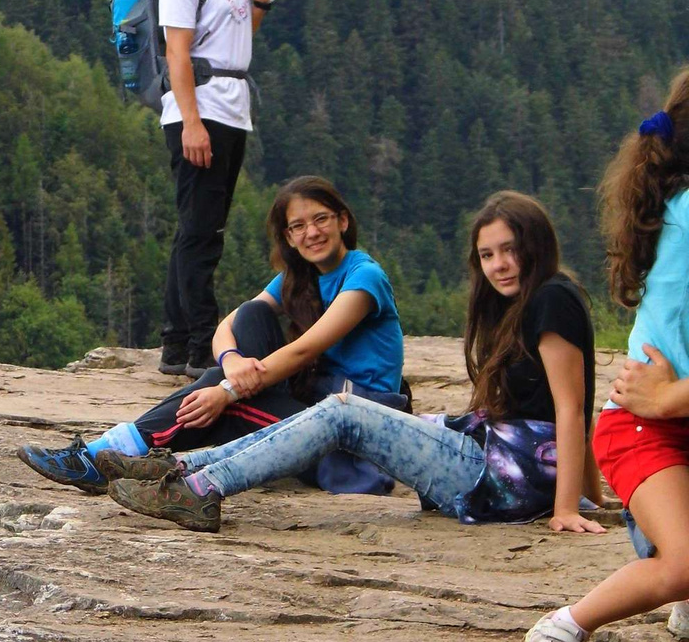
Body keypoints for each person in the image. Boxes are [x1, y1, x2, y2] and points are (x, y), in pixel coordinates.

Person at [107, 192, 606, 543]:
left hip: (505, 479)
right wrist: (593, 500)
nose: (500, 264)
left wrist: (568, 508)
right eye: (488, 255)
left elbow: (572, 408)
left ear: (537, 244)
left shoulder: (552, 299)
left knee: (345, 412)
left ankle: (199, 487)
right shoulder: (525, 301)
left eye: (511, 250)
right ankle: (179, 468)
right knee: (341, 416)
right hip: (493, 459)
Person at [18, 177, 406, 496]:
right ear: (288, 238)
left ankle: (103, 457)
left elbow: (306, 349)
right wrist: (232, 365)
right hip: (316, 405)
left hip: (353, 432)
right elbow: (229, 326)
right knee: (253, 317)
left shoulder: (364, 277)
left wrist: (228, 391)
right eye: (298, 226)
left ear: (342, 221)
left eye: (320, 220)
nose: (312, 233)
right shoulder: (298, 279)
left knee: (222, 404)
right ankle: (115, 458)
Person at [522, 75, 689, 642]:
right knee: (682, 564)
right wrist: (671, 400)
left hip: (668, 406)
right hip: (646, 425)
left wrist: (676, 394)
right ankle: (565, 626)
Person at [158, 0, 274, 376]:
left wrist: (262, 0)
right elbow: (176, 53)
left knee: (198, 229)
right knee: (202, 234)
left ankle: (174, 343)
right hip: (200, 110)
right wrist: (190, 122)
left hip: (230, 110)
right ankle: (204, 346)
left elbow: (235, 37)